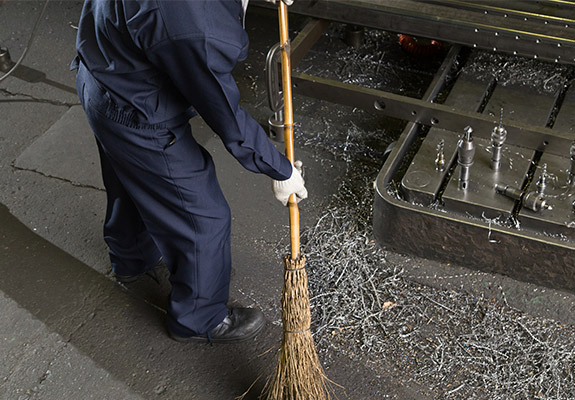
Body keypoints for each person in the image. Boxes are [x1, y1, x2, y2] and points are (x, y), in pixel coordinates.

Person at [72, 0, 307, 344]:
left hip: (100, 73)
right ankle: (200, 319)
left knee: (131, 179)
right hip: (136, 109)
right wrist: (279, 169)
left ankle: (132, 257)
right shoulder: (196, 27)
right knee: (203, 218)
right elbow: (222, 109)